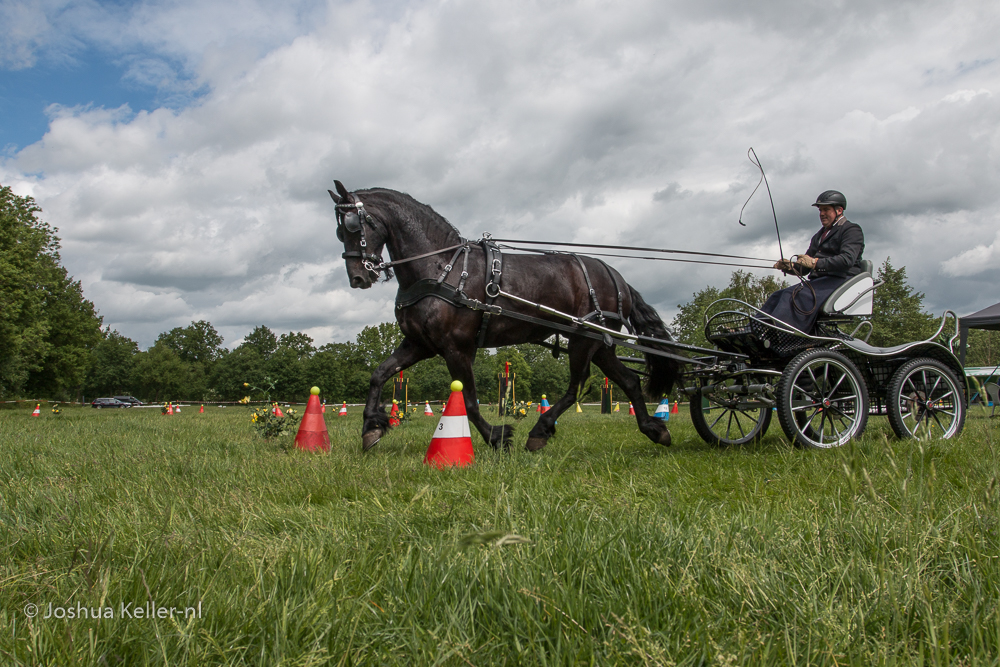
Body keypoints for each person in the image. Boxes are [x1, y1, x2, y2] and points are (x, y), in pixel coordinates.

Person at [760, 190, 865, 333]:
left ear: (839, 210)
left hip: (842, 280)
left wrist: (815, 263)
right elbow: (805, 268)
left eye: (826, 209)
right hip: (820, 282)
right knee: (777, 295)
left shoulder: (851, 230)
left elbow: (846, 260)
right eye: (820, 210)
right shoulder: (819, 235)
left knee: (792, 295)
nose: (821, 214)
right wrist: (790, 267)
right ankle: (757, 329)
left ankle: (780, 334)